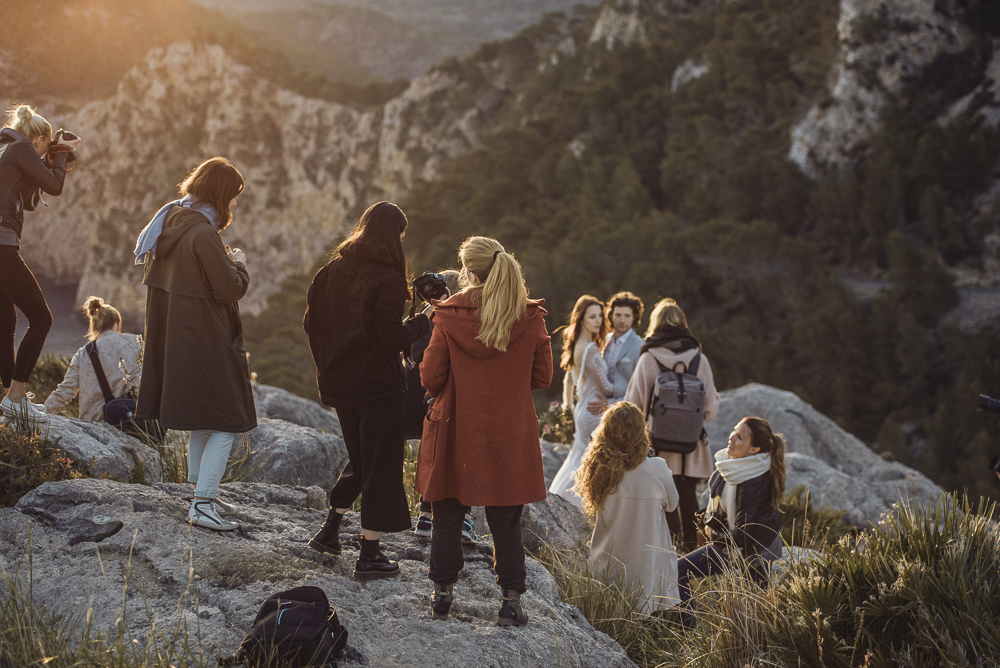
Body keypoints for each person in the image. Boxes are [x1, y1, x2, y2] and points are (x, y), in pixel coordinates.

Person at [415, 236, 552, 627]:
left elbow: (430, 375)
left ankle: (442, 597)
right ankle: (511, 602)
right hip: (509, 429)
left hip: (458, 425)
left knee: (447, 512)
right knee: (506, 521)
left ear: (469, 272)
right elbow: (542, 376)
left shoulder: (450, 312)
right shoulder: (529, 316)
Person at [303, 201, 431, 580]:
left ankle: (329, 531)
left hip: (340, 386)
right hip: (377, 389)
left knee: (361, 461)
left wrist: (329, 365)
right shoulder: (387, 279)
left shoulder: (329, 272)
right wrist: (422, 323)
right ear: (394, 237)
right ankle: (370, 554)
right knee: (381, 467)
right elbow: (390, 338)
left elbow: (312, 325)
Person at [134, 157, 256, 532]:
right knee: (227, 419)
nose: (233, 205)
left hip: (179, 338)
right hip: (207, 337)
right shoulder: (203, 233)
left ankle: (198, 494)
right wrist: (238, 263)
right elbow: (228, 289)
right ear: (221, 194)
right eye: (232, 197)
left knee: (204, 419)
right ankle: (203, 505)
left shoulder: (170, 221)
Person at [0, 105, 80, 421]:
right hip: (3, 249)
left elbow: (30, 202)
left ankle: (10, 399)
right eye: (47, 145)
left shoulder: (7, 148)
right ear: (40, 138)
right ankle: (16, 396)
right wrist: (60, 156)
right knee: (43, 319)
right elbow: (55, 187)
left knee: (6, 327)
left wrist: (49, 159)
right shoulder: (21, 147)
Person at [624, 298, 720, 552]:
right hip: (691, 447)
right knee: (688, 496)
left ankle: (667, 551)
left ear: (655, 325)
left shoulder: (648, 360)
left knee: (660, 497)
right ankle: (691, 551)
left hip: (657, 445)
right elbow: (709, 411)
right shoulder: (700, 360)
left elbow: (632, 407)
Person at [676, 416, 785, 629]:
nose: (732, 438)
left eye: (740, 437)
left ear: (754, 449)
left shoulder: (753, 479)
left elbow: (743, 534)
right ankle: (693, 633)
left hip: (753, 548)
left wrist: (710, 535)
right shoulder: (730, 465)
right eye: (734, 431)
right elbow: (721, 509)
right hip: (738, 540)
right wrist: (706, 523)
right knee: (755, 607)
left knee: (677, 571)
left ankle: (689, 633)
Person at [573, 402, 680, 616]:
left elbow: (592, 517)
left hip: (607, 568)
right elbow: (673, 504)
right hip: (648, 572)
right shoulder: (658, 468)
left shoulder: (597, 469)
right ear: (642, 432)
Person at [404, 270, 477, 544]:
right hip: (441, 402)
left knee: (431, 457)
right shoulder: (456, 320)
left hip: (409, 405)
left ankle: (425, 517)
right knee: (461, 457)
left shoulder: (419, 320)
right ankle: (464, 521)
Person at [548, 295, 613, 508]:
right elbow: (606, 387)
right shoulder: (591, 349)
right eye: (592, 316)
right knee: (589, 462)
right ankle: (578, 506)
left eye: (600, 317)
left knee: (579, 459)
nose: (598, 321)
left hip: (582, 410)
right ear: (581, 318)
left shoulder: (576, 344)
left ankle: (562, 502)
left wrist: (568, 409)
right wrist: (630, 386)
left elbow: (568, 382)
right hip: (594, 411)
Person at [44, 297, 142, 421]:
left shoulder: (84, 353)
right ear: (117, 324)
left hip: (92, 422)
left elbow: (66, 390)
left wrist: (43, 413)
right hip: (128, 420)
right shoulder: (135, 343)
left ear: (94, 327)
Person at [588, 291, 644, 416]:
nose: (622, 320)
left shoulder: (640, 346)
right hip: (598, 411)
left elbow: (640, 391)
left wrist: (610, 404)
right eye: (618, 315)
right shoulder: (605, 340)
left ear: (634, 317)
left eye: (627, 316)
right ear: (611, 316)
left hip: (625, 413)